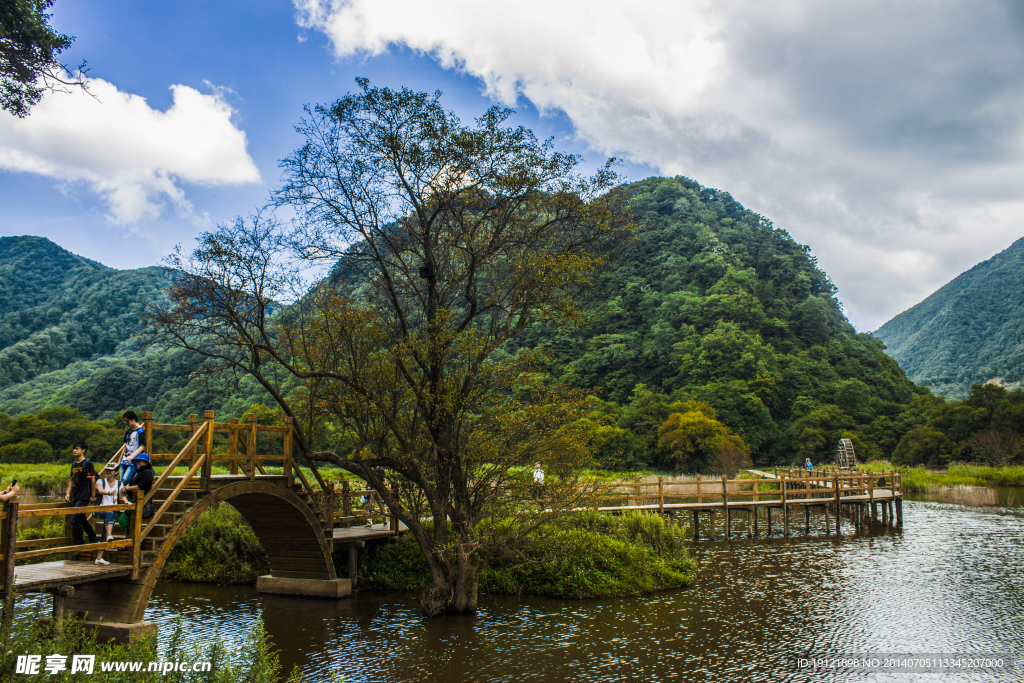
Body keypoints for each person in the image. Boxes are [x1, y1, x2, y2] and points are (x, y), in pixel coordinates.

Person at [65, 441, 98, 559]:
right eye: (74, 448)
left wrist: (93, 495)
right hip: (76, 495)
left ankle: (80, 543)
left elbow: (92, 480)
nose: (74, 450)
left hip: (84, 496)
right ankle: (93, 538)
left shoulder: (88, 463)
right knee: (82, 519)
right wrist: (68, 493)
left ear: (83, 450)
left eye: (77, 448)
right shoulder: (74, 464)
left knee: (74, 520)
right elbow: (71, 480)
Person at [93, 466, 120, 566]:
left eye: (110, 470)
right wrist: (109, 492)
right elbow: (100, 491)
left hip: (112, 510)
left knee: (111, 514)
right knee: (110, 513)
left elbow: (121, 495)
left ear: (116, 472)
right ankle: (109, 534)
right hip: (100, 509)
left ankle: (99, 558)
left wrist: (126, 501)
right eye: (107, 470)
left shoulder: (119, 483)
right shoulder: (101, 481)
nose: (108, 472)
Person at [120, 411, 147, 488]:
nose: (126, 423)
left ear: (133, 419)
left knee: (126, 479)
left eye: (127, 421)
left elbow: (142, 446)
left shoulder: (140, 431)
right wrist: (119, 460)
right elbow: (125, 446)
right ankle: (123, 497)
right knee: (122, 481)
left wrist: (132, 456)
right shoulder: (128, 431)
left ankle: (126, 497)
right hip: (124, 459)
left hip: (133, 460)